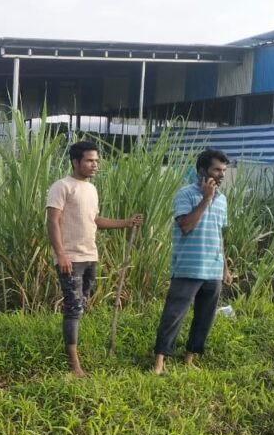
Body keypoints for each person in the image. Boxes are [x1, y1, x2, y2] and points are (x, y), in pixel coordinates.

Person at [46, 141, 142, 377]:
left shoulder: (91, 189)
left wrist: (126, 223)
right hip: (71, 258)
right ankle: (74, 365)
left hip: (90, 256)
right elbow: (52, 221)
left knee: (81, 303)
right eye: (89, 160)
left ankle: (73, 351)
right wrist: (61, 254)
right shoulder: (62, 187)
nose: (94, 165)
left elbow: (95, 220)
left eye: (96, 160)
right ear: (75, 162)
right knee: (73, 307)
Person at [152, 148, 232, 375]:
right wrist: (206, 199)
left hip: (213, 268)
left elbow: (219, 235)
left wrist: (225, 267)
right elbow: (185, 226)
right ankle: (159, 361)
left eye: (224, 170)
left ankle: (189, 357)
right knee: (174, 314)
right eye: (217, 169)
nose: (221, 175)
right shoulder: (185, 195)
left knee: (204, 317)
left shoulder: (223, 200)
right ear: (202, 171)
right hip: (188, 267)